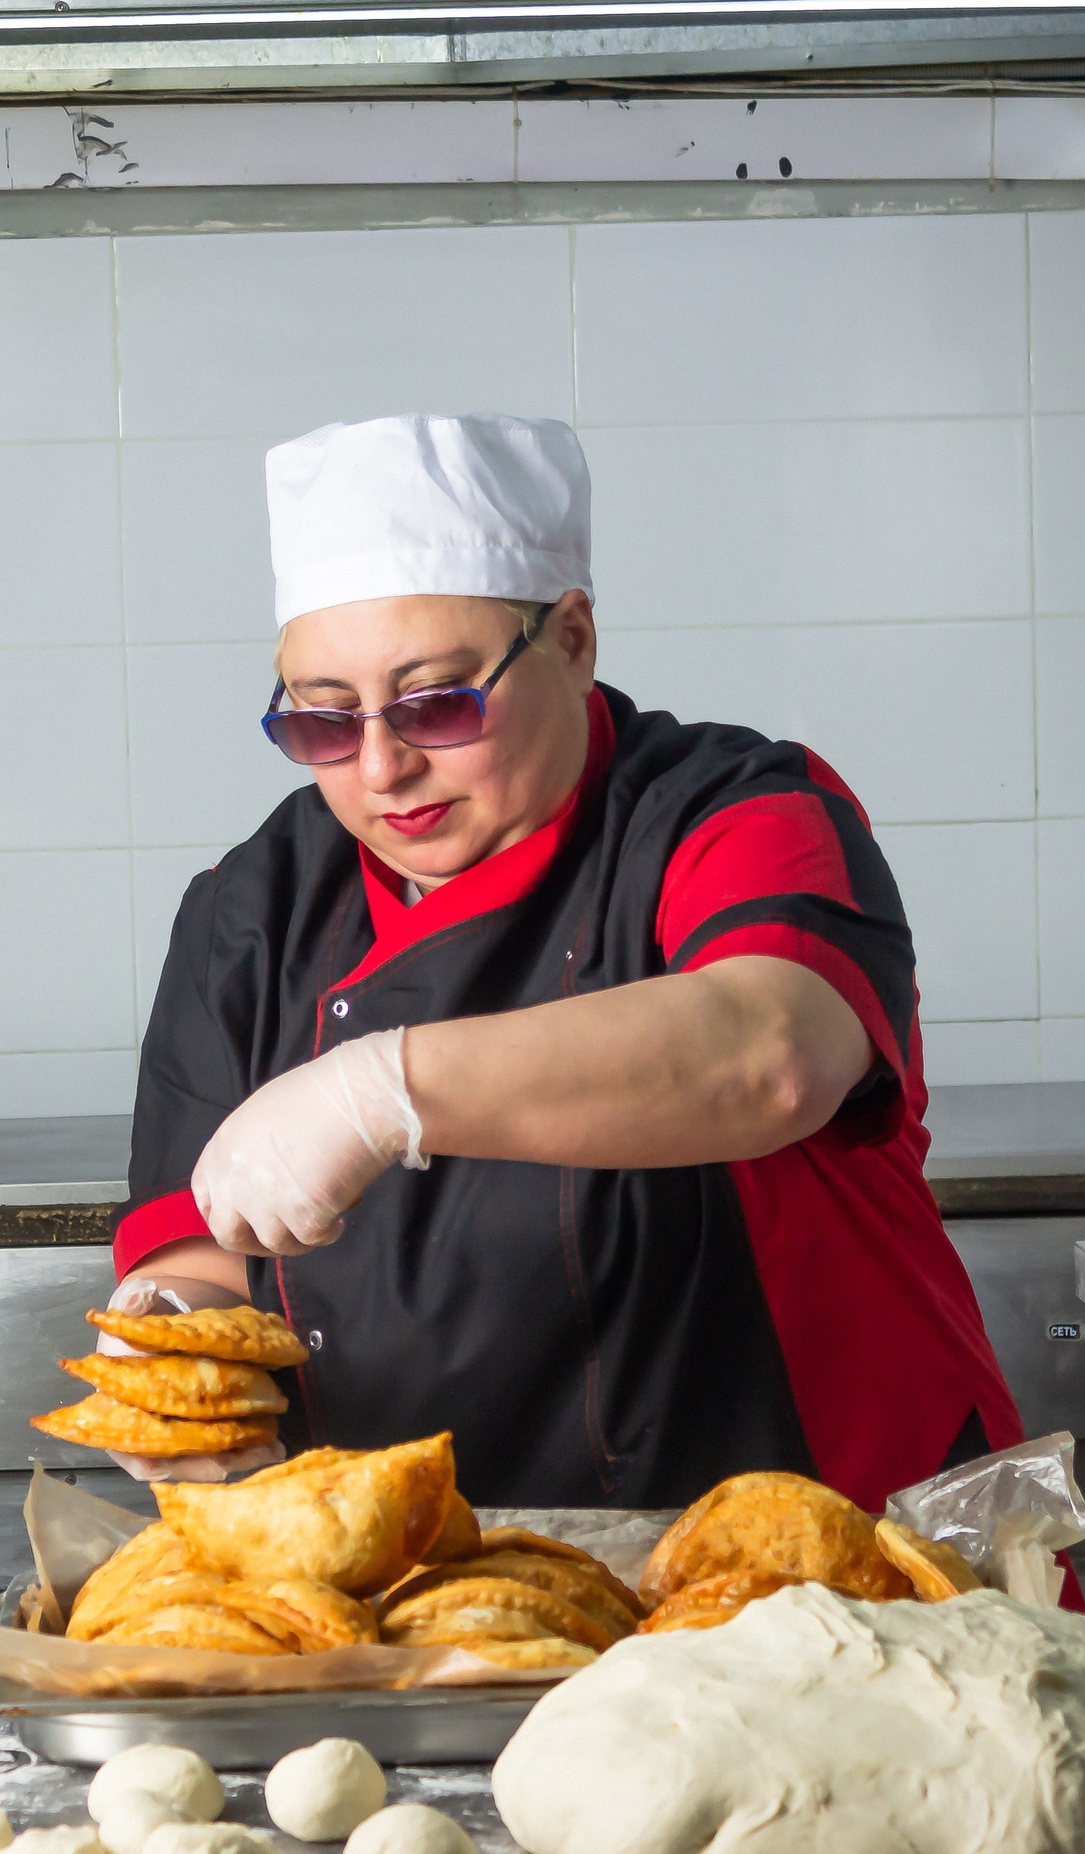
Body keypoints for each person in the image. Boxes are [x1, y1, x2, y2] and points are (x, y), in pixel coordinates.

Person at [103, 412, 1024, 1515]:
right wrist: (167, 1355)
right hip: (424, 1608)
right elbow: (201, 1254)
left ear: (575, 639)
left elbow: (770, 1051)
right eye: (325, 724)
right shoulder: (249, 911)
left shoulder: (731, 814)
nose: (384, 768)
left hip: (834, 1580)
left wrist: (378, 1091)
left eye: (436, 701)